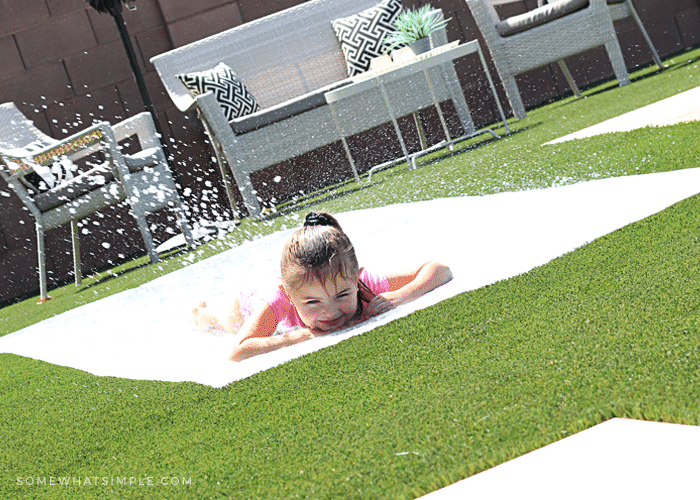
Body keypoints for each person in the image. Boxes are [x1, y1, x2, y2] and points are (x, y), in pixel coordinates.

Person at [192, 211, 452, 361]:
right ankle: (202, 313)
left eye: (342, 295)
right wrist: (305, 335)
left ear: (356, 279)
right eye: (313, 303)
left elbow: (438, 269)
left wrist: (397, 297)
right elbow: (237, 351)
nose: (331, 312)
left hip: (300, 278)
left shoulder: (360, 283)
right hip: (257, 290)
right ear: (290, 296)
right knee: (227, 323)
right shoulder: (277, 298)